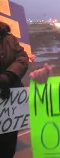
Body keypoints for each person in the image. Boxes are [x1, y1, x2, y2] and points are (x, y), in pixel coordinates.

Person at [0, 21, 29, 158]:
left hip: (10, 102)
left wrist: (8, 76)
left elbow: (22, 58)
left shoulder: (9, 38)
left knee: (8, 146)